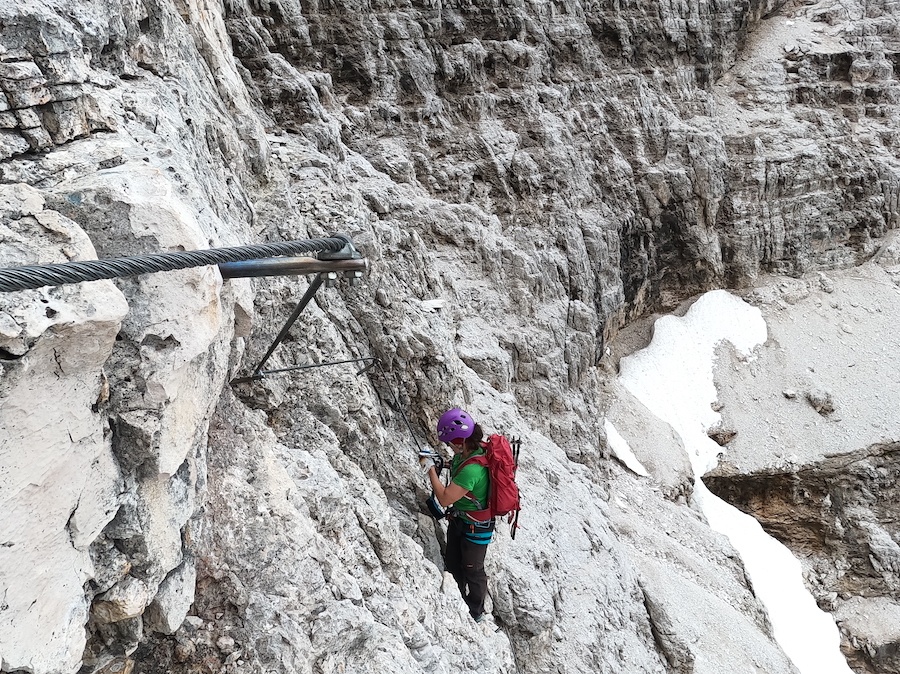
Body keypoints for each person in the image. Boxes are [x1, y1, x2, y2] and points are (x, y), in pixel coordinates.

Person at [420, 407, 495, 622]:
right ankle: (458, 598)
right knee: (453, 563)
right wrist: (440, 463)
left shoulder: (473, 469)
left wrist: (430, 470)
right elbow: (456, 466)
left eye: (449, 443)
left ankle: (475, 611)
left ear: (459, 442)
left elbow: (444, 498)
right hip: (461, 520)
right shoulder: (470, 452)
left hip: (476, 527)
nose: (448, 447)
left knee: (473, 569)